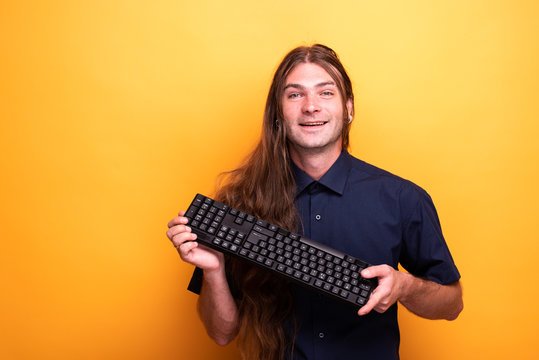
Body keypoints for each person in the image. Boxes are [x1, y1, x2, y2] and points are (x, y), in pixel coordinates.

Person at [166, 44, 463, 360]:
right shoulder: (240, 203)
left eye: (325, 93)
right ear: (278, 113)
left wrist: (405, 287)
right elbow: (221, 333)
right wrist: (213, 270)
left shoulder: (403, 198)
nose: (311, 106)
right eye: (295, 95)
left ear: (348, 108)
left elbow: (452, 304)